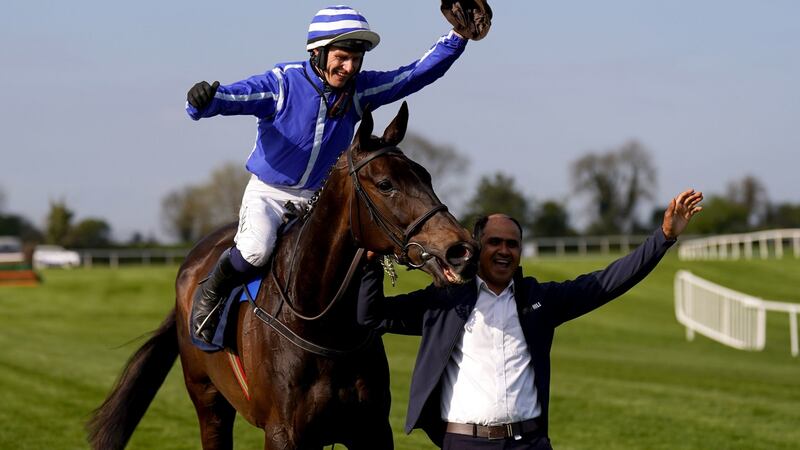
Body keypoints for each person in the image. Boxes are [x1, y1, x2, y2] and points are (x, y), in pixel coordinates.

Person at [185, 4, 491, 344]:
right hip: (271, 193)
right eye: (342, 58)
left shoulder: (359, 90)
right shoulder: (283, 83)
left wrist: (457, 39)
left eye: (356, 60)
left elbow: (413, 75)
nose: (349, 68)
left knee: (358, 253)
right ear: (317, 52)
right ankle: (212, 293)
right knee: (256, 250)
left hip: (323, 197)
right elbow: (232, 97)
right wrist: (203, 103)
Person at [357, 189, 704, 449]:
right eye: (495, 242)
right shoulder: (445, 301)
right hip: (465, 443)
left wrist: (664, 238)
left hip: (530, 443)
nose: (504, 250)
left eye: (512, 244)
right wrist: (371, 261)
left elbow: (607, 283)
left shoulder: (539, 299)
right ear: (478, 248)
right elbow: (371, 316)